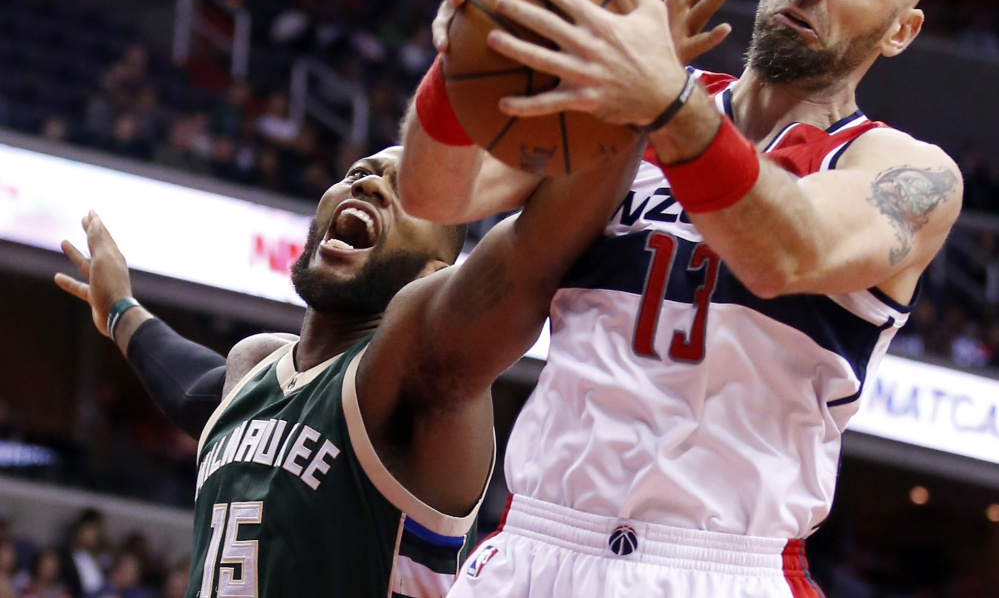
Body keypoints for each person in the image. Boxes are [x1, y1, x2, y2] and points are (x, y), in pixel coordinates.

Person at [399, 0, 962, 597]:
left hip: (719, 567)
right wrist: (460, 64)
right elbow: (436, 195)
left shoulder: (903, 172)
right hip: (535, 545)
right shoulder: (633, 100)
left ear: (899, 31)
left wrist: (666, 103)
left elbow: (785, 249)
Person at [55, 142, 637, 597]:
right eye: (360, 169)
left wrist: (635, 108)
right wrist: (121, 312)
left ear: (437, 270)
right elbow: (191, 391)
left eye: (408, 189)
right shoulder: (255, 366)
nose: (370, 181)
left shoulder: (415, 376)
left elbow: (533, 254)